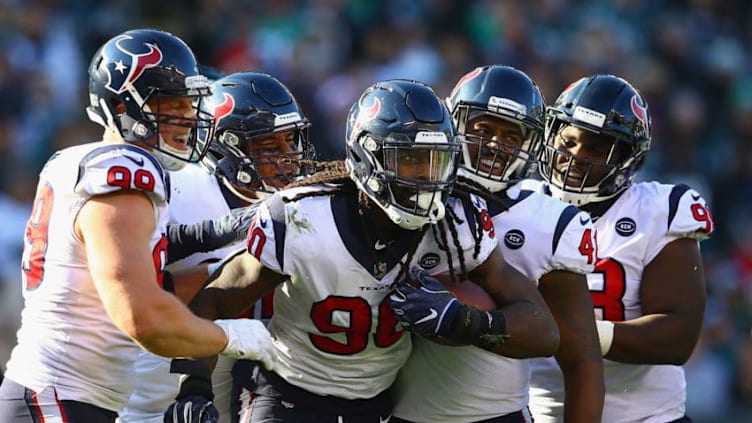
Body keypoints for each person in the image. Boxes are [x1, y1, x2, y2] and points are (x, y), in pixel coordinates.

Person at [166, 79, 559, 423]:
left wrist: (465, 322)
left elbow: (543, 331)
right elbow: (215, 300)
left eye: (436, 161)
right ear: (367, 157)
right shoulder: (302, 218)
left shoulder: (458, 222)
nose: (425, 178)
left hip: (374, 403)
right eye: (408, 159)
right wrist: (193, 385)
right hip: (286, 391)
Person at [0, 29, 275, 423]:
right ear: (124, 106)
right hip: (58, 400)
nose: (187, 118)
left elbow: (142, 247)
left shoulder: (79, 161)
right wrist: (238, 338)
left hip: (65, 398)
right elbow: (144, 318)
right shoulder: (123, 171)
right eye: (172, 104)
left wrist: (221, 229)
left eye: (190, 104)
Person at [390, 65, 604, 423]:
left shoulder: (551, 221)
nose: (494, 144)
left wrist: (469, 321)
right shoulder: (400, 193)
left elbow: (580, 356)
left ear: (531, 143)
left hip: (495, 415)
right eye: (483, 129)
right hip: (389, 409)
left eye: (511, 135)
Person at [119, 71, 315, 423]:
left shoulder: (306, 205)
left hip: (249, 397)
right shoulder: (173, 190)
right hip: (159, 392)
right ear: (223, 147)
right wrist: (219, 280)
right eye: (270, 146)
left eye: (292, 141)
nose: (290, 158)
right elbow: (125, 293)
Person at [528, 74, 714, 422]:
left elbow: (679, 335)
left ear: (629, 157)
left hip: (645, 417)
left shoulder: (658, 209)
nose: (576, 156)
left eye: (597, 147)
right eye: (568, 141)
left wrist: (578, 333)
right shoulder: (522, 204)